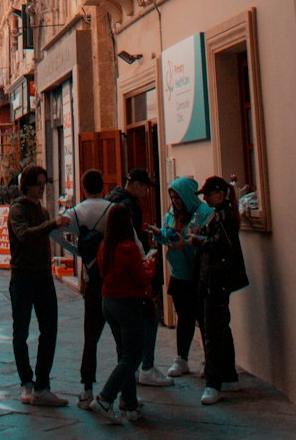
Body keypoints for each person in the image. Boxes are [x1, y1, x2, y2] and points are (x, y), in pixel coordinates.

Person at [7, 163, 70, 407]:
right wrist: (53, 224)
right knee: (20, 332)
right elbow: (24, 235)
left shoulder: (43, 212)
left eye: (44, 185)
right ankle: (26, 383)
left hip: (43, 276)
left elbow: (44, 235)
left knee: (49, 330)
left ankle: (43, 385)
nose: (42, 189)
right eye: (39, 185)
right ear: (28, 186)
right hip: (22, 277)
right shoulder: (17, 210)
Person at [91, 202, 158, 423]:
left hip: (108, 302)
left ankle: (130, 404)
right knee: (134, 354)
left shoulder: (105, 247)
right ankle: (105, 397)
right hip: (127, 303)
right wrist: (149, 266)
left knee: (124, 353)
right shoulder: (128, 248)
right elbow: (141, 278)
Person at [107, 167, 171, 387]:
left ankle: (133, 377)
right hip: (132, 272)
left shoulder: (113, 200)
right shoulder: (129, 206)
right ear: (134, 184)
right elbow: (133, 241)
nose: (145, 192)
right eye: (144, 187)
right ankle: (145, 366)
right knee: (148, 317)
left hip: (113, 277)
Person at [189, 176, 249, 405]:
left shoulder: (223, 216)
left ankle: (213, 384)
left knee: (212, 332)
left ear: (220, 194)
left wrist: (197, 240)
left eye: (209, 194)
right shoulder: (223, 214)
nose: (205, 198)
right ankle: (229, 376)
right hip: (217, 279)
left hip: (216, 279)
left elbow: (220, 244)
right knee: (220, 327)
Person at [146, 176, 212, 376]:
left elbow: (207, 244)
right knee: (184, 317)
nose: (175, 202)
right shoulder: (172, 215)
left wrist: (187, 245)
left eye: (178, 197)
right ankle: (182, 358)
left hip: (199, 275)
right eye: (173, 198)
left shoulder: (204, 213)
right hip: (179, 274)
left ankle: (210, 359)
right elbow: (169, 237)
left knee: (203, 318)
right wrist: (159, 234)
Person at [67, 168, 113, 408]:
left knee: (90, 337)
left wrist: (78, 252)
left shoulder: (77, 211)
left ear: (83, 188)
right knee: (123, 338)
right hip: (115, 278)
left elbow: (55, 229)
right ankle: (127, 394)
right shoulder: (113, 209)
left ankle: (87, 389)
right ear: (103, 186)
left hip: (92, 279)